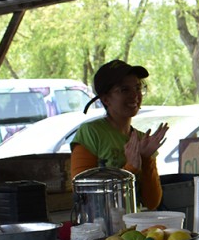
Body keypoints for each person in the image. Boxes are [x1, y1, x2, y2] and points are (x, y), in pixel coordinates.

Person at [71, 59, 167, 210]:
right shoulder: (91, 132)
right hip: (101, 227)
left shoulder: (142, 139)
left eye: (137, 87)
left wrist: (146, 159)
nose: (135, 95)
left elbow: (152, 203)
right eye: (124, 90)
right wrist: (131, 168)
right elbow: (82, 193)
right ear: (106, 99)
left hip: (135, 228)